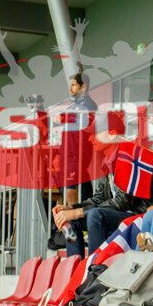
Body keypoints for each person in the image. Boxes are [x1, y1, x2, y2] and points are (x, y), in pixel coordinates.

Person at [52, 165, 153, 257]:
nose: (91, 139)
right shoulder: (107, 163)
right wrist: (72, 209)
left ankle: (94, 269)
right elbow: (99, 198)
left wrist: (78, 212)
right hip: (122, 214)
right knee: (71, 222)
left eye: (95, 134)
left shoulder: (131, 157)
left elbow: (122, 202)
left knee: (95, 215)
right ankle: (77, 273)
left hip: (141, 215)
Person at [61, 72, 98, 207]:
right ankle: (84, 221)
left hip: (77, 153)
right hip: (68, 153)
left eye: (74, 85)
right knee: (82, 187)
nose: (70, 89)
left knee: (70, 190)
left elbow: (84, 124)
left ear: (83, 86)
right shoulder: (74, 106)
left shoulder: (89, 105)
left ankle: (75, 225)